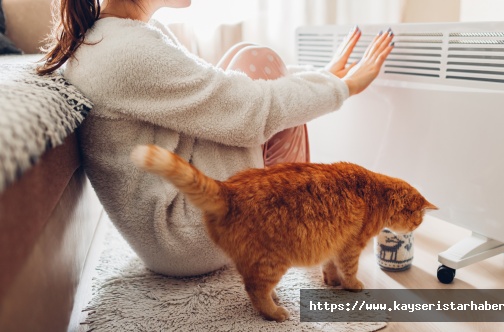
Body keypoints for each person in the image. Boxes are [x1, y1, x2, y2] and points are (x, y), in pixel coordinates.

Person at [38, 0, 394, 276]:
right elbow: (253, 112)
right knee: (258, 62)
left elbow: (219, 95)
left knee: (244, 64)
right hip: (186, 235)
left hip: (172, 225)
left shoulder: (117, 35)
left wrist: (324, 80)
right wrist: (342, 87)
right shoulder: (126, 51)